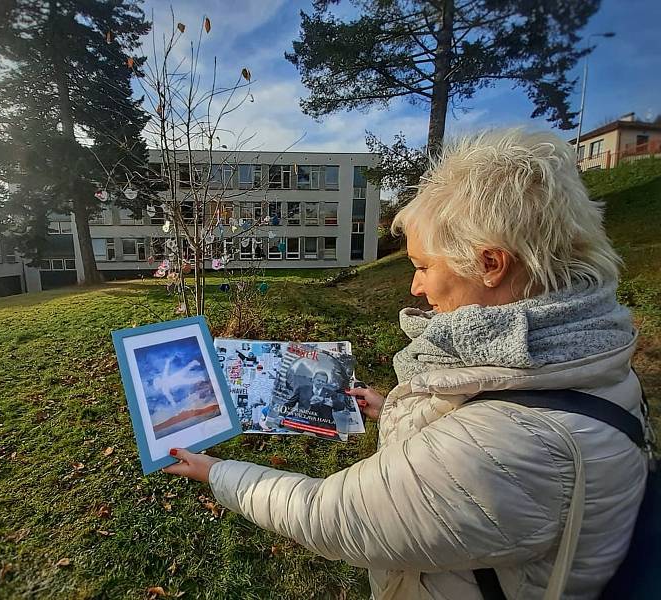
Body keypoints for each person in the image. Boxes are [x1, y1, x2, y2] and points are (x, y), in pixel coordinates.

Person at [163, 129, 649, 599]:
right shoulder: (584, 353)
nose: (415, 288)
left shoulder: (516, 444)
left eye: (422, 266)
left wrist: (215, 472)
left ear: (490, 264)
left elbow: (331, 517)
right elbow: (485, 412)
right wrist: (391, 406)